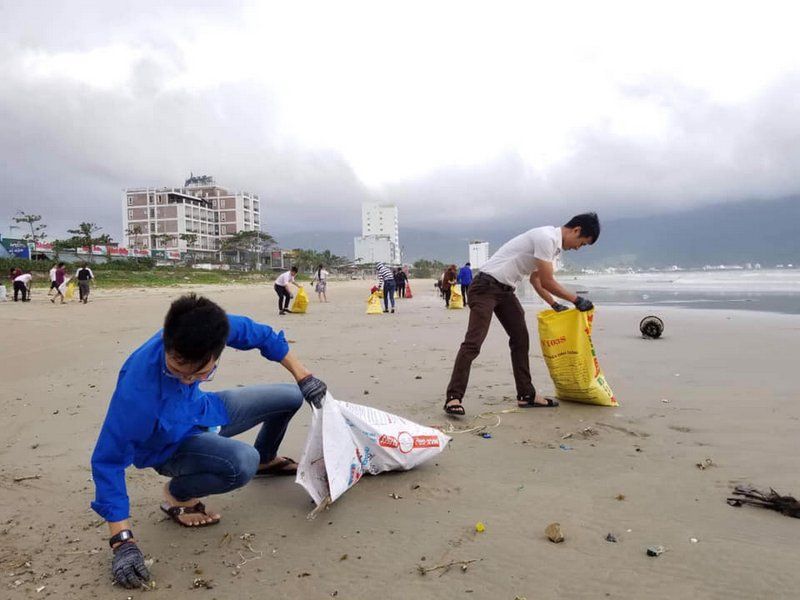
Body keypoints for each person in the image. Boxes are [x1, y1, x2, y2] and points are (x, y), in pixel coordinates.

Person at [90, 293, 328, 589]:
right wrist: (122, 542)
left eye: (200, 373)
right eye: (177, 371)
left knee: (291, 396)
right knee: (243, 463)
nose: (187, 380)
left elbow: (263, 336)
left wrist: (304, 377)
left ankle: (267, 458)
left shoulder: (212, 327)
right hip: (168, 446)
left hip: (205, 411)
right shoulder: (137, 394)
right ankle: (179, 493)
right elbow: (107, 461)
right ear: (168, 343)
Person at [443, 213, 600, 416]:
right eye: (582, 243)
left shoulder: (554, 249)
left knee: (520, 338)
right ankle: (453, 397)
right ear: (576, 230)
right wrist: (576, 300)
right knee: (474, 342)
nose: (579, 248)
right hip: (485, 286)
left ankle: (526, 395)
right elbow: (548, 281)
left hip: (506, 291)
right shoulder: (547, 237)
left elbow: (537, 281)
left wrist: (554, 304)